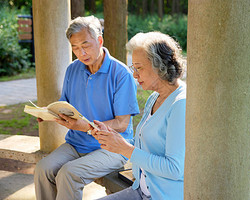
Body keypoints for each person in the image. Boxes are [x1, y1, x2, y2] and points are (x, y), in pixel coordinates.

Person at [34, 16, 140, 200]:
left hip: (112, 147)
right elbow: (64, 105)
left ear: (99, 40)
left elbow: (122, 124)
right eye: (75, 48)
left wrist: (87, 126)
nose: (81, 53)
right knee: (43, 169)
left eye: (85, 45)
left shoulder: (121, 73)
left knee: (68, 173)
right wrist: (49, 113)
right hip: (76, 144)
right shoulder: (73, 69)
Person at [91, 31, 186, 200]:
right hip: (141, 191)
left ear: (160, 67)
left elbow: (174, 168)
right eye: (133, 68)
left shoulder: (180, 104)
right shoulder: (155, 96)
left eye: (139, 68)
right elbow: (143, 144)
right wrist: (113, 138)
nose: (134, 75)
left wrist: (124, 148)